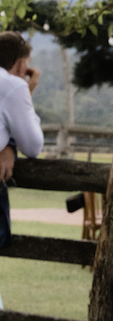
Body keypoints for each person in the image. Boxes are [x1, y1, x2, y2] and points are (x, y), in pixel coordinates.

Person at [0, 31, 44, 250]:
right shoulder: (13, 85)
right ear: (20, 66)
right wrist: (27, 90)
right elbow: (33, 146)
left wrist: (7, 144)